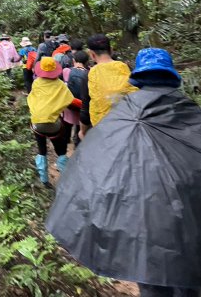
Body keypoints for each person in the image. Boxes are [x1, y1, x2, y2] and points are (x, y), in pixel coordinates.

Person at [46, 48, 201, 297]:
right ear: (172, 77)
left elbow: (95, 166)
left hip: (139, 219)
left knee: (151, 281)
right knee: (189, 279)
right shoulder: (191, 115)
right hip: (189, 219)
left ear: (138, 78)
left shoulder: (120, 118)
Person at [27, 57, 82, 183]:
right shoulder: (60, 85)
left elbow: (32, 99)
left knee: (42, 149)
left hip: (37, 123)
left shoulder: (36, 83)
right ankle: (66, 175)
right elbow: (70, 100)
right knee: (61, 148)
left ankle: (44, 179)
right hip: (54, 125)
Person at [79, 33, 136, 138]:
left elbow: (85, 111)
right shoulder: (127, 69)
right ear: (111, 50)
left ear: (91, 54)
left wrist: (82, 132)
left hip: (103, 131)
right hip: (130, 127)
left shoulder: (89, 75)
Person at [63, 50, 89, 147]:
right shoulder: (89, 73)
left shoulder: (66, 71)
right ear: (87, 61)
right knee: (79, 128)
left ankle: (65, 144)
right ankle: (77, 145)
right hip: (82, 107)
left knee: (67, 126)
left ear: (74, 60)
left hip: (69, 106)